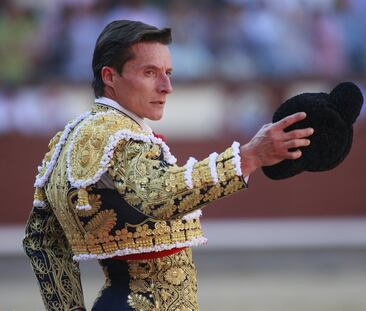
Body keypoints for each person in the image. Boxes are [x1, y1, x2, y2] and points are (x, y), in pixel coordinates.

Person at [23, 20, 314, 311]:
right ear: (110, 76)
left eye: (168, 73)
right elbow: (158, 195)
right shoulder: (122, 138)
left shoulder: (68, 140)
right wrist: (249, 157)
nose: (167, 87)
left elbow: (42, 241)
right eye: (150, 73)